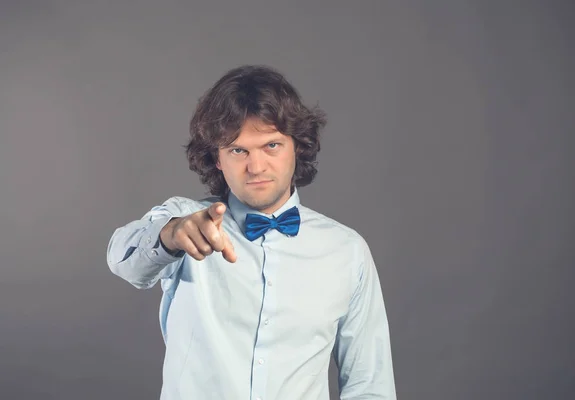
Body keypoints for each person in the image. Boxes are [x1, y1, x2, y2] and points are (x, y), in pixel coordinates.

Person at [106, 65, 396, 400]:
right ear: (216, 158)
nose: (256, 167)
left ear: (297, 147)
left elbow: (370, 385)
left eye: (271, 145)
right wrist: (171, 236)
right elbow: (121, 258)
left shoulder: (347, 251)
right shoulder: (187, 220)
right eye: (238, 150)